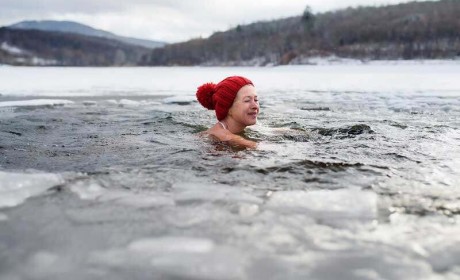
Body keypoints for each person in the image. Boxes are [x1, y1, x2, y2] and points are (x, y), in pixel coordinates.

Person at [196, 76, 259, 149]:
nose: (255, 106)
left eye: (256, 100)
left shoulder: (246, 126)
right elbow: (257, 147)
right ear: (228, 108)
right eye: (247, 100)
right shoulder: (222, 134)